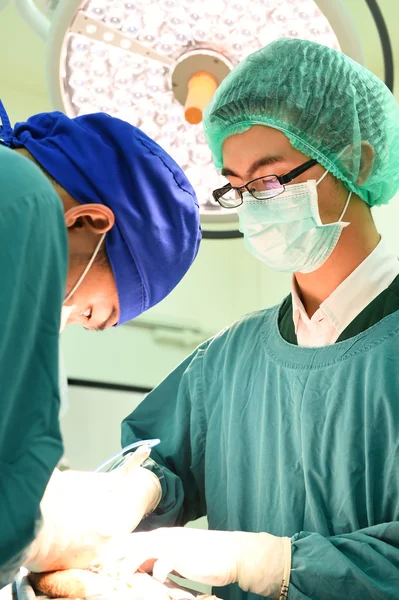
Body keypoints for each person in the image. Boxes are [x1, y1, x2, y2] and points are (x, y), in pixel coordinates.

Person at [117, 39, 399, 599]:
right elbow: (158, 458)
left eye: (270, 179)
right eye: (237, 185)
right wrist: (132, 489)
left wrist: (263, 561)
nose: (255, 202)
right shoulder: (227, 360)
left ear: (357, 160)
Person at [0, 102, 201, 587]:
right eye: (88, 312)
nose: (61, 322)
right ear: (87, 221)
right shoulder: (19, 200)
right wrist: (47, 529)